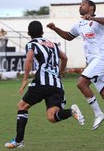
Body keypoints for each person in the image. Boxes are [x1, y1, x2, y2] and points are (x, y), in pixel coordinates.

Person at [47, 0, 104, 131]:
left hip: (101, 59)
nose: (80, 6)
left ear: (91, 7)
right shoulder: (79, 24)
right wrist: (55, 28)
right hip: (94, 63)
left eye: (83, 4)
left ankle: (99, 114)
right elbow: (68, 36)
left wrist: (93, 18)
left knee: (81, 83)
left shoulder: (97, 21)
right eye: (80, 5)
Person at [5, 20, 84, 149]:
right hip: (57, 85)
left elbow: (29, 59)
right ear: (42, 32)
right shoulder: (52, 44)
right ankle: (70, 112)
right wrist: (59, 74)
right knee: (52, 117)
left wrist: (25, 78)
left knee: (22, 106)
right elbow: (64, 58)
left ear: (29, 33)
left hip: (41, 84)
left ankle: (19, 141)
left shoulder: (32, 44)